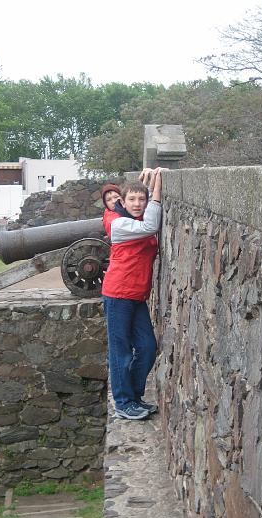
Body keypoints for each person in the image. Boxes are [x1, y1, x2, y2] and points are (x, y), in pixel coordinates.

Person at [102, 168, 162, 420]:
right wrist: (156, 190)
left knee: (148, 348)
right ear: (122, 203)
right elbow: (151, 224)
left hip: (136, 296)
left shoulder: (134, 221)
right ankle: (123, 402)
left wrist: (149, 178)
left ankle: (134, 397)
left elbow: (146, 220)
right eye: (132, 200)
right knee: (121, 352)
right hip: (118, 295)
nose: (138, 204)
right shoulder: (119, 225)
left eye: (142, 199)